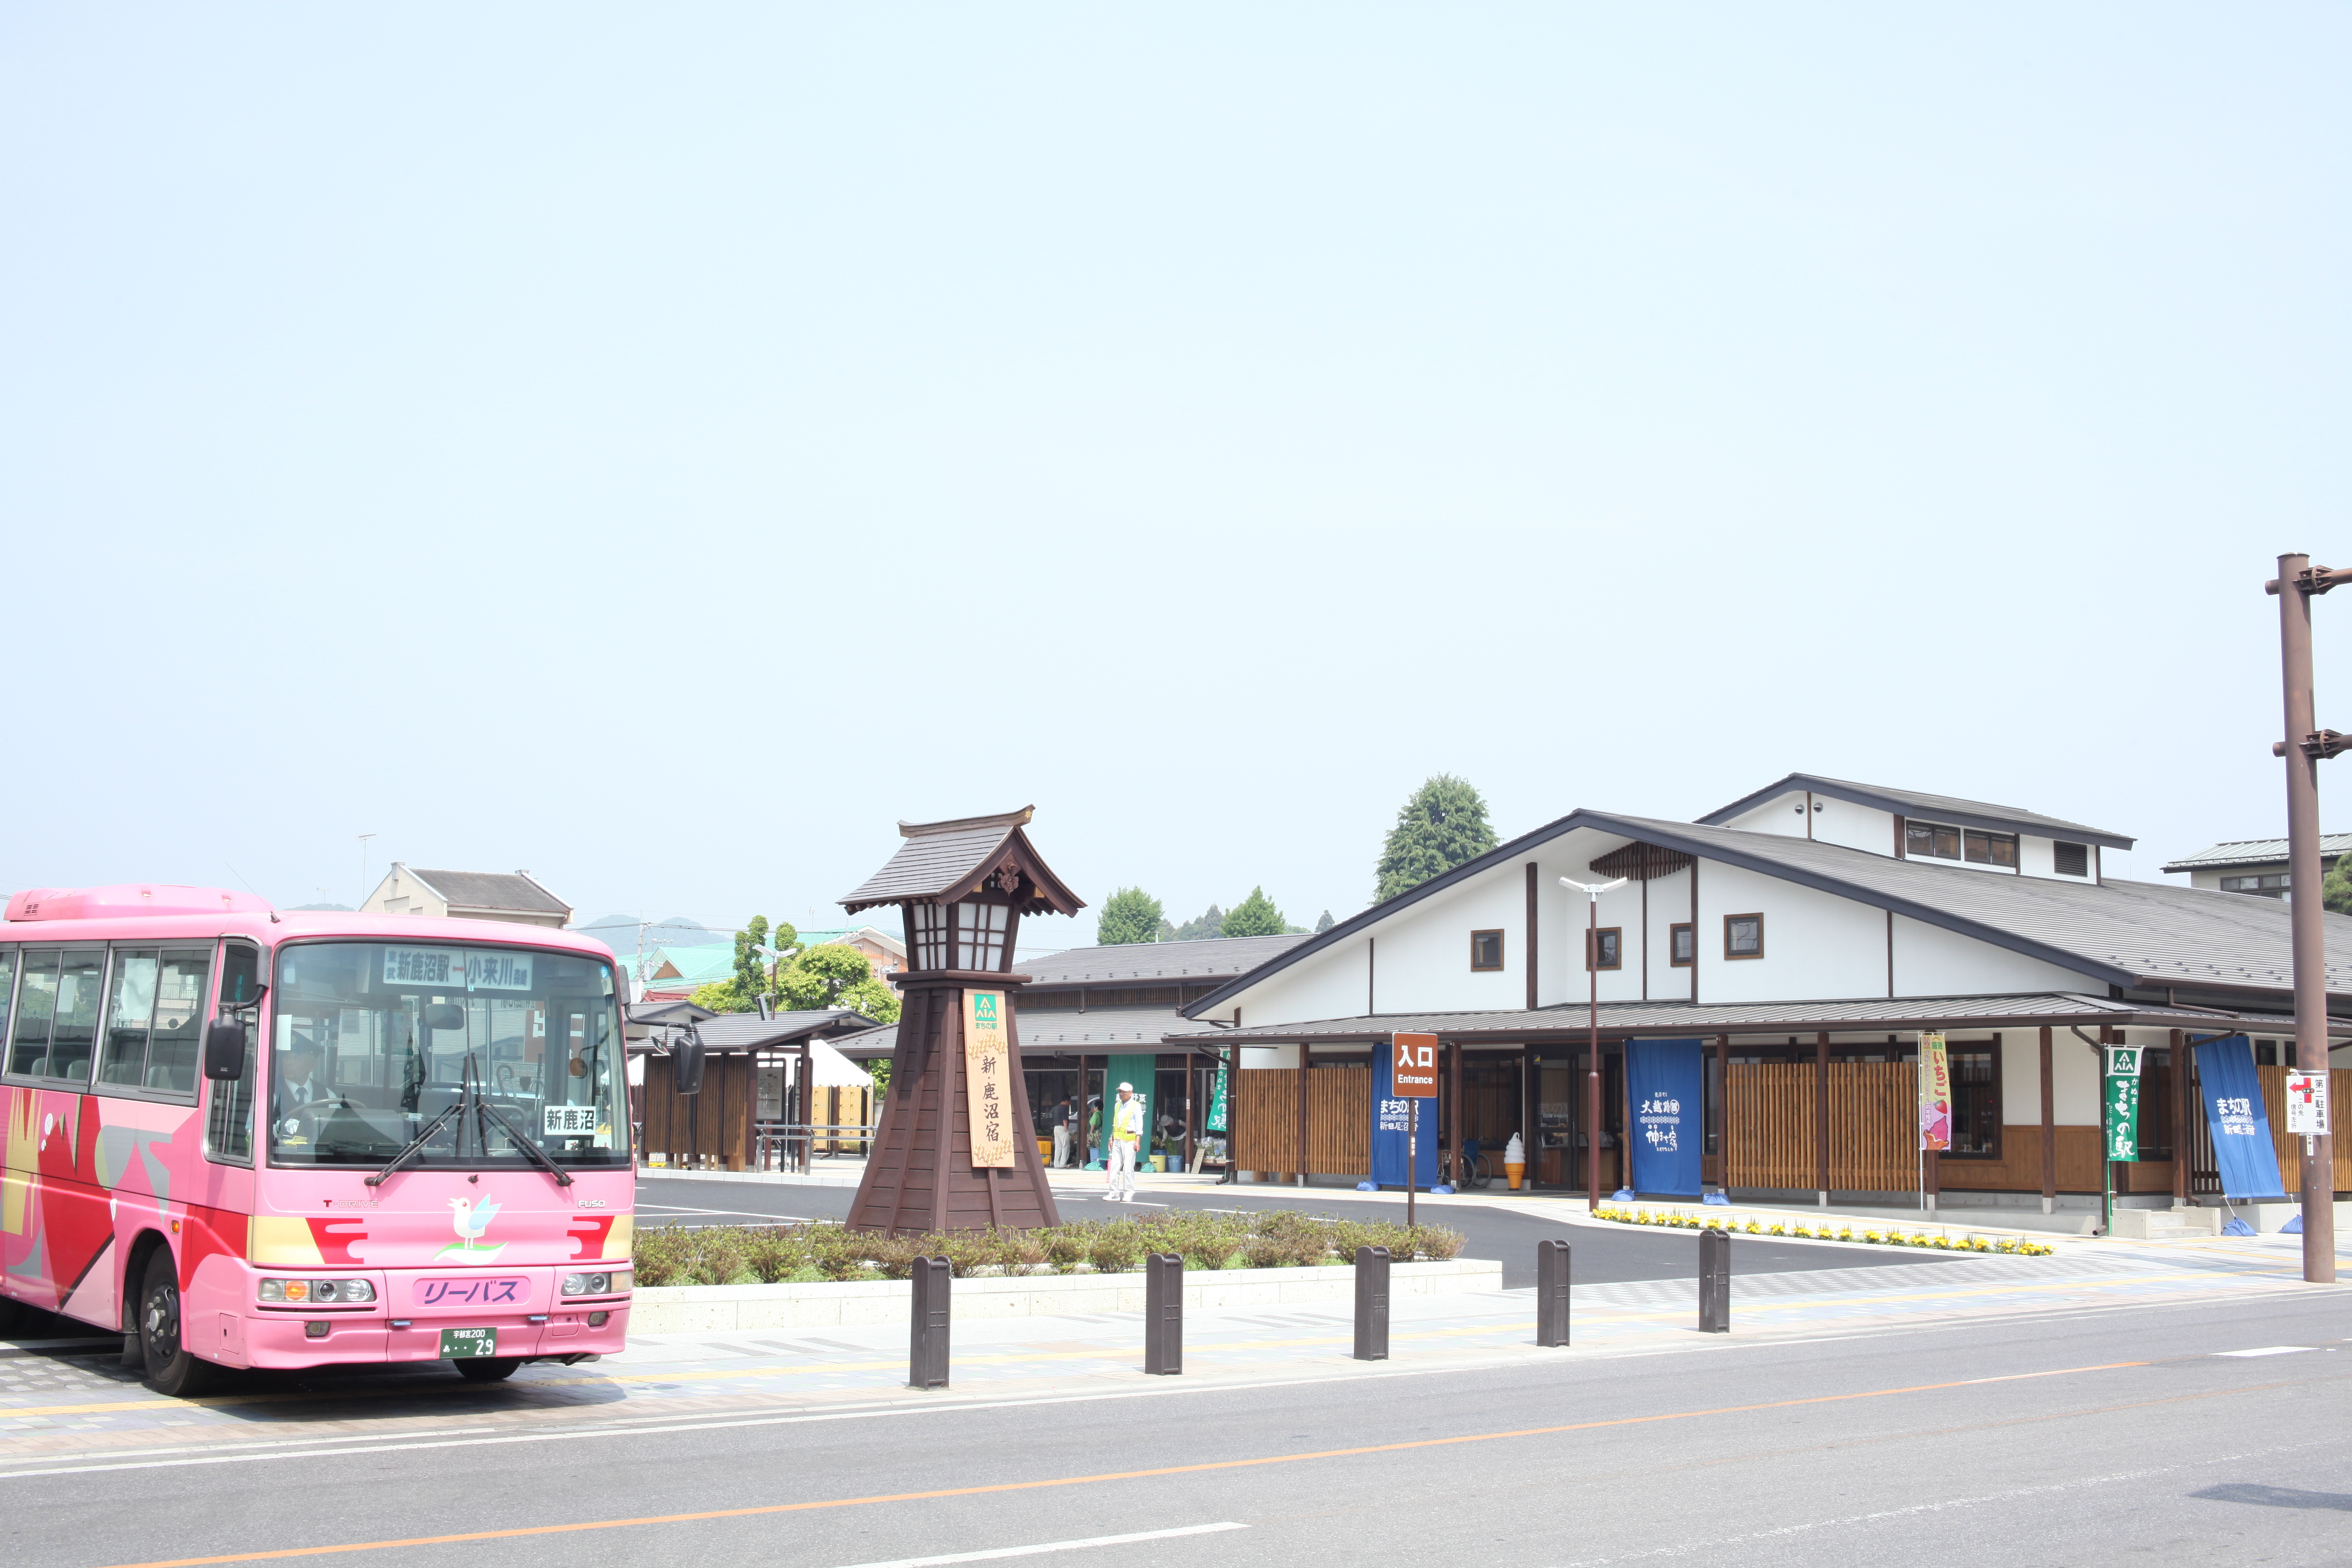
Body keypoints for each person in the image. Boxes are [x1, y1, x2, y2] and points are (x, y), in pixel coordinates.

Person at [273, 1038, 325, 1138]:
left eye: (297, 1058)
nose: (289, 1063)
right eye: (287, 1057)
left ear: (312, 1066)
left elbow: (336, 1128)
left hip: (317, 1152)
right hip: (280, 1152)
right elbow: (252, 1130)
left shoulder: (327, 1095)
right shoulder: (270, 1093)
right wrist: (279, 1128)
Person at [1105, 1081, 1146, 1202]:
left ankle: (1129, 1193)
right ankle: (1114, 1193)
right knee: (1114, 1167)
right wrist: (1111, 1138)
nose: (1121, 1094)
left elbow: (1139, 1125)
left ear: (1130, 1094)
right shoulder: (1117, 1105)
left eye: (1123, 1092)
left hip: (1130, 1140)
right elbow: (1115, 1123)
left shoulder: (1136, 1106)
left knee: (1128, 1168)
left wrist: (1137, 1141)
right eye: (1120, 1092)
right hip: (1117, 1140)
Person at [1049, 1095, 1074, 1169]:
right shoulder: (1065, 1108)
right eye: (1069, 1102)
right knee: (1066, 1146)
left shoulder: (1057, 1108)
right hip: (1062, 1128)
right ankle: (1063, 1164)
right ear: (1066, 1101)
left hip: (1056, 1128)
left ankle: (1057, 1164)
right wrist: (1067, 1130)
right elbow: (1065, 1120)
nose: (1069, 1104)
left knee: (1058, 1146)